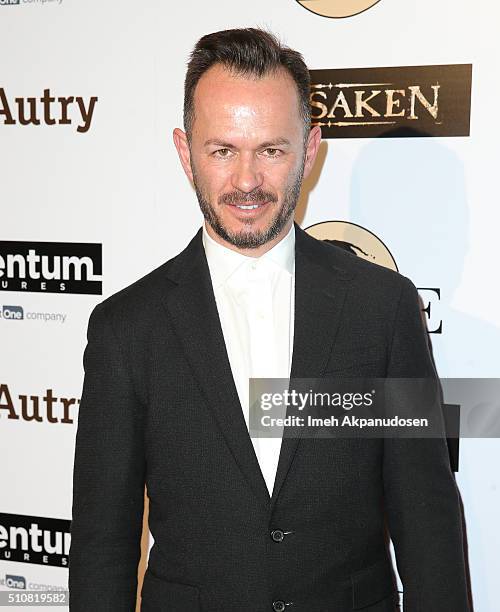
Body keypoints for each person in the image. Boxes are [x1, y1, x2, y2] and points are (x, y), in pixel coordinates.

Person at [69, 28, 470, 612]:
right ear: (185, 153)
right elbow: (102, 547)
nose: (248, 180)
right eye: (222, 150)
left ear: (310, 151)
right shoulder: (127, 329)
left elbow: (426, 517)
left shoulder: (381, 309)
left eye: (272, 150)